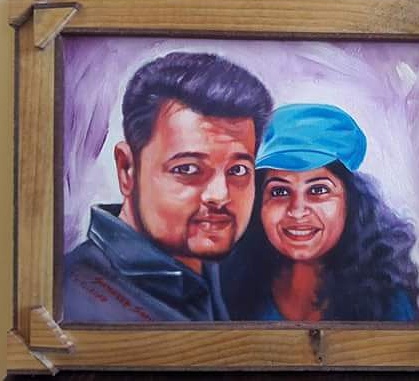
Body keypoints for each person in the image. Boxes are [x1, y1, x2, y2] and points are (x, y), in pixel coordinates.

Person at [63, 52, 273, 322]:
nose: (220, 195)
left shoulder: (225, 275)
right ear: (127, 169)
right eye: (188, 169)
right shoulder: (73, 300)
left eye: (238, 170)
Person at [221, 104, 419, 321]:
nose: (297, 211)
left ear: (351, 201)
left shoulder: (387, 302)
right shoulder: (227, 285)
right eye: (279, 191)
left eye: (318, 190)